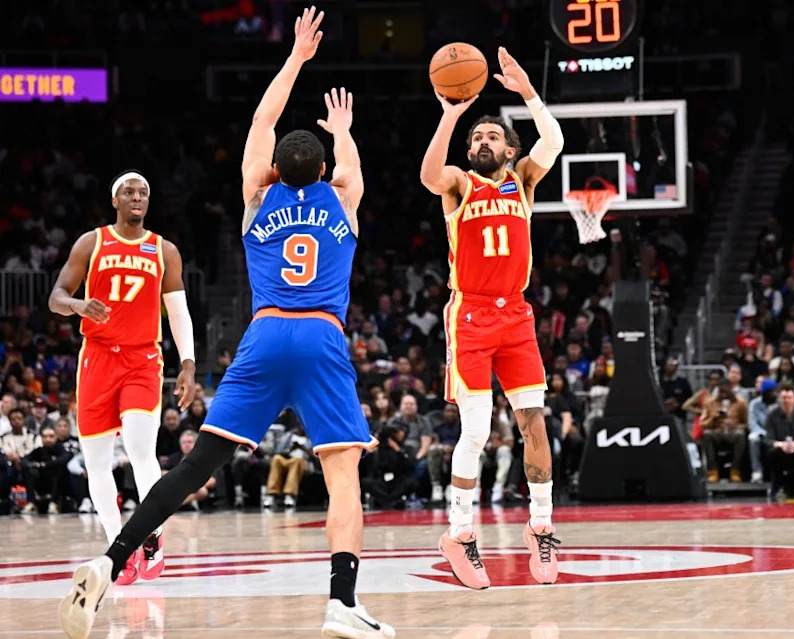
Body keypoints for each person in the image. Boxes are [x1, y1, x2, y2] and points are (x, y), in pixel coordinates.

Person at [59, 9, 392, 639]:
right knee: (342, 474)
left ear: (272, 172)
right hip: (321, 335)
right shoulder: (342, 196)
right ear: (322, 172)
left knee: (193, 468)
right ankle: (341, 605)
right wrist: (343, 130)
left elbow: (263, 122)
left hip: (264, 334)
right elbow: (348, 165)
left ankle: (111, 559)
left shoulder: (255, 198)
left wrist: (295, 58)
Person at [420, 45, 564, 589]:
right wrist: (451, 112)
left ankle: (542, 529)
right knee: (476, 431)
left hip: (518, 317)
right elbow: (429, 173)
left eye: (491, 136)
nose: (482, 142)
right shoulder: (459, 184)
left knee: (534, 424)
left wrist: (527, 91)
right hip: (471, 316)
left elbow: (554, 141)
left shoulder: (524, 179)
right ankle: (459, 535)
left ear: (509, 146)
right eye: (476, 137)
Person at [49, 162, 197, 586]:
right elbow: (56, 297)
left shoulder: (163, 249)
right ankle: (119, 549)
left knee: (139, 450)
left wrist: (187, 362)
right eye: (129, 192)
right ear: (115, 200)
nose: (137, 198)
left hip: (141, 360)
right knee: (97, 464)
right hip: (96, 358)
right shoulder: (91, 242)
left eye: (143, 193)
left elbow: (179, 312)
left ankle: (150, 536)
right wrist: (78, 305)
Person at [764, 384, 794, 497]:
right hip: (779, 447)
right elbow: (769, 439)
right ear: (779, 399)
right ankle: (776, 486)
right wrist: (782, 445)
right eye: (783, 398)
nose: (786, 401)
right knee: (772, 453)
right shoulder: (772, 415)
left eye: (789, 398)